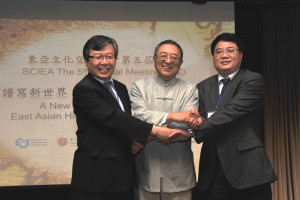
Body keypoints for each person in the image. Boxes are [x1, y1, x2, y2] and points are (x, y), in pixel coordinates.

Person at [71, 35, 191, 200]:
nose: (104, 62)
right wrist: (155, 131)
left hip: (122, 175)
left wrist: (138, 141)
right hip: (96, 179)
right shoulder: (84, 89)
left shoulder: (119, 88)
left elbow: (127, 123)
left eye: (109, 56)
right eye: (98, 57)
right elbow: (114, 118)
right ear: (86, 61)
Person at [192, 32, 277, 200]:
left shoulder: (252, 80)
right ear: (213, 56)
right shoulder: (202, 87)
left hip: (248, 169)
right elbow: (196, 118)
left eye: (230, 50)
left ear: (240, 55)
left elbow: (231, 111)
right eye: (219, 51)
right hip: (212, 170)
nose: (224, 55)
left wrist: (199, 129)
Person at [130, 39, 199, 200]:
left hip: (180, 174)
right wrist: (175, 117)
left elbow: (188, 126)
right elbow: (138, 117)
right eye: (163, 56)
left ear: (181, 63)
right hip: (146, 172)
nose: (168, 61)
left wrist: (151, 131)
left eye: (174, 58)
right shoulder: (139, 87)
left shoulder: (190, 90)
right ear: (154, 59)